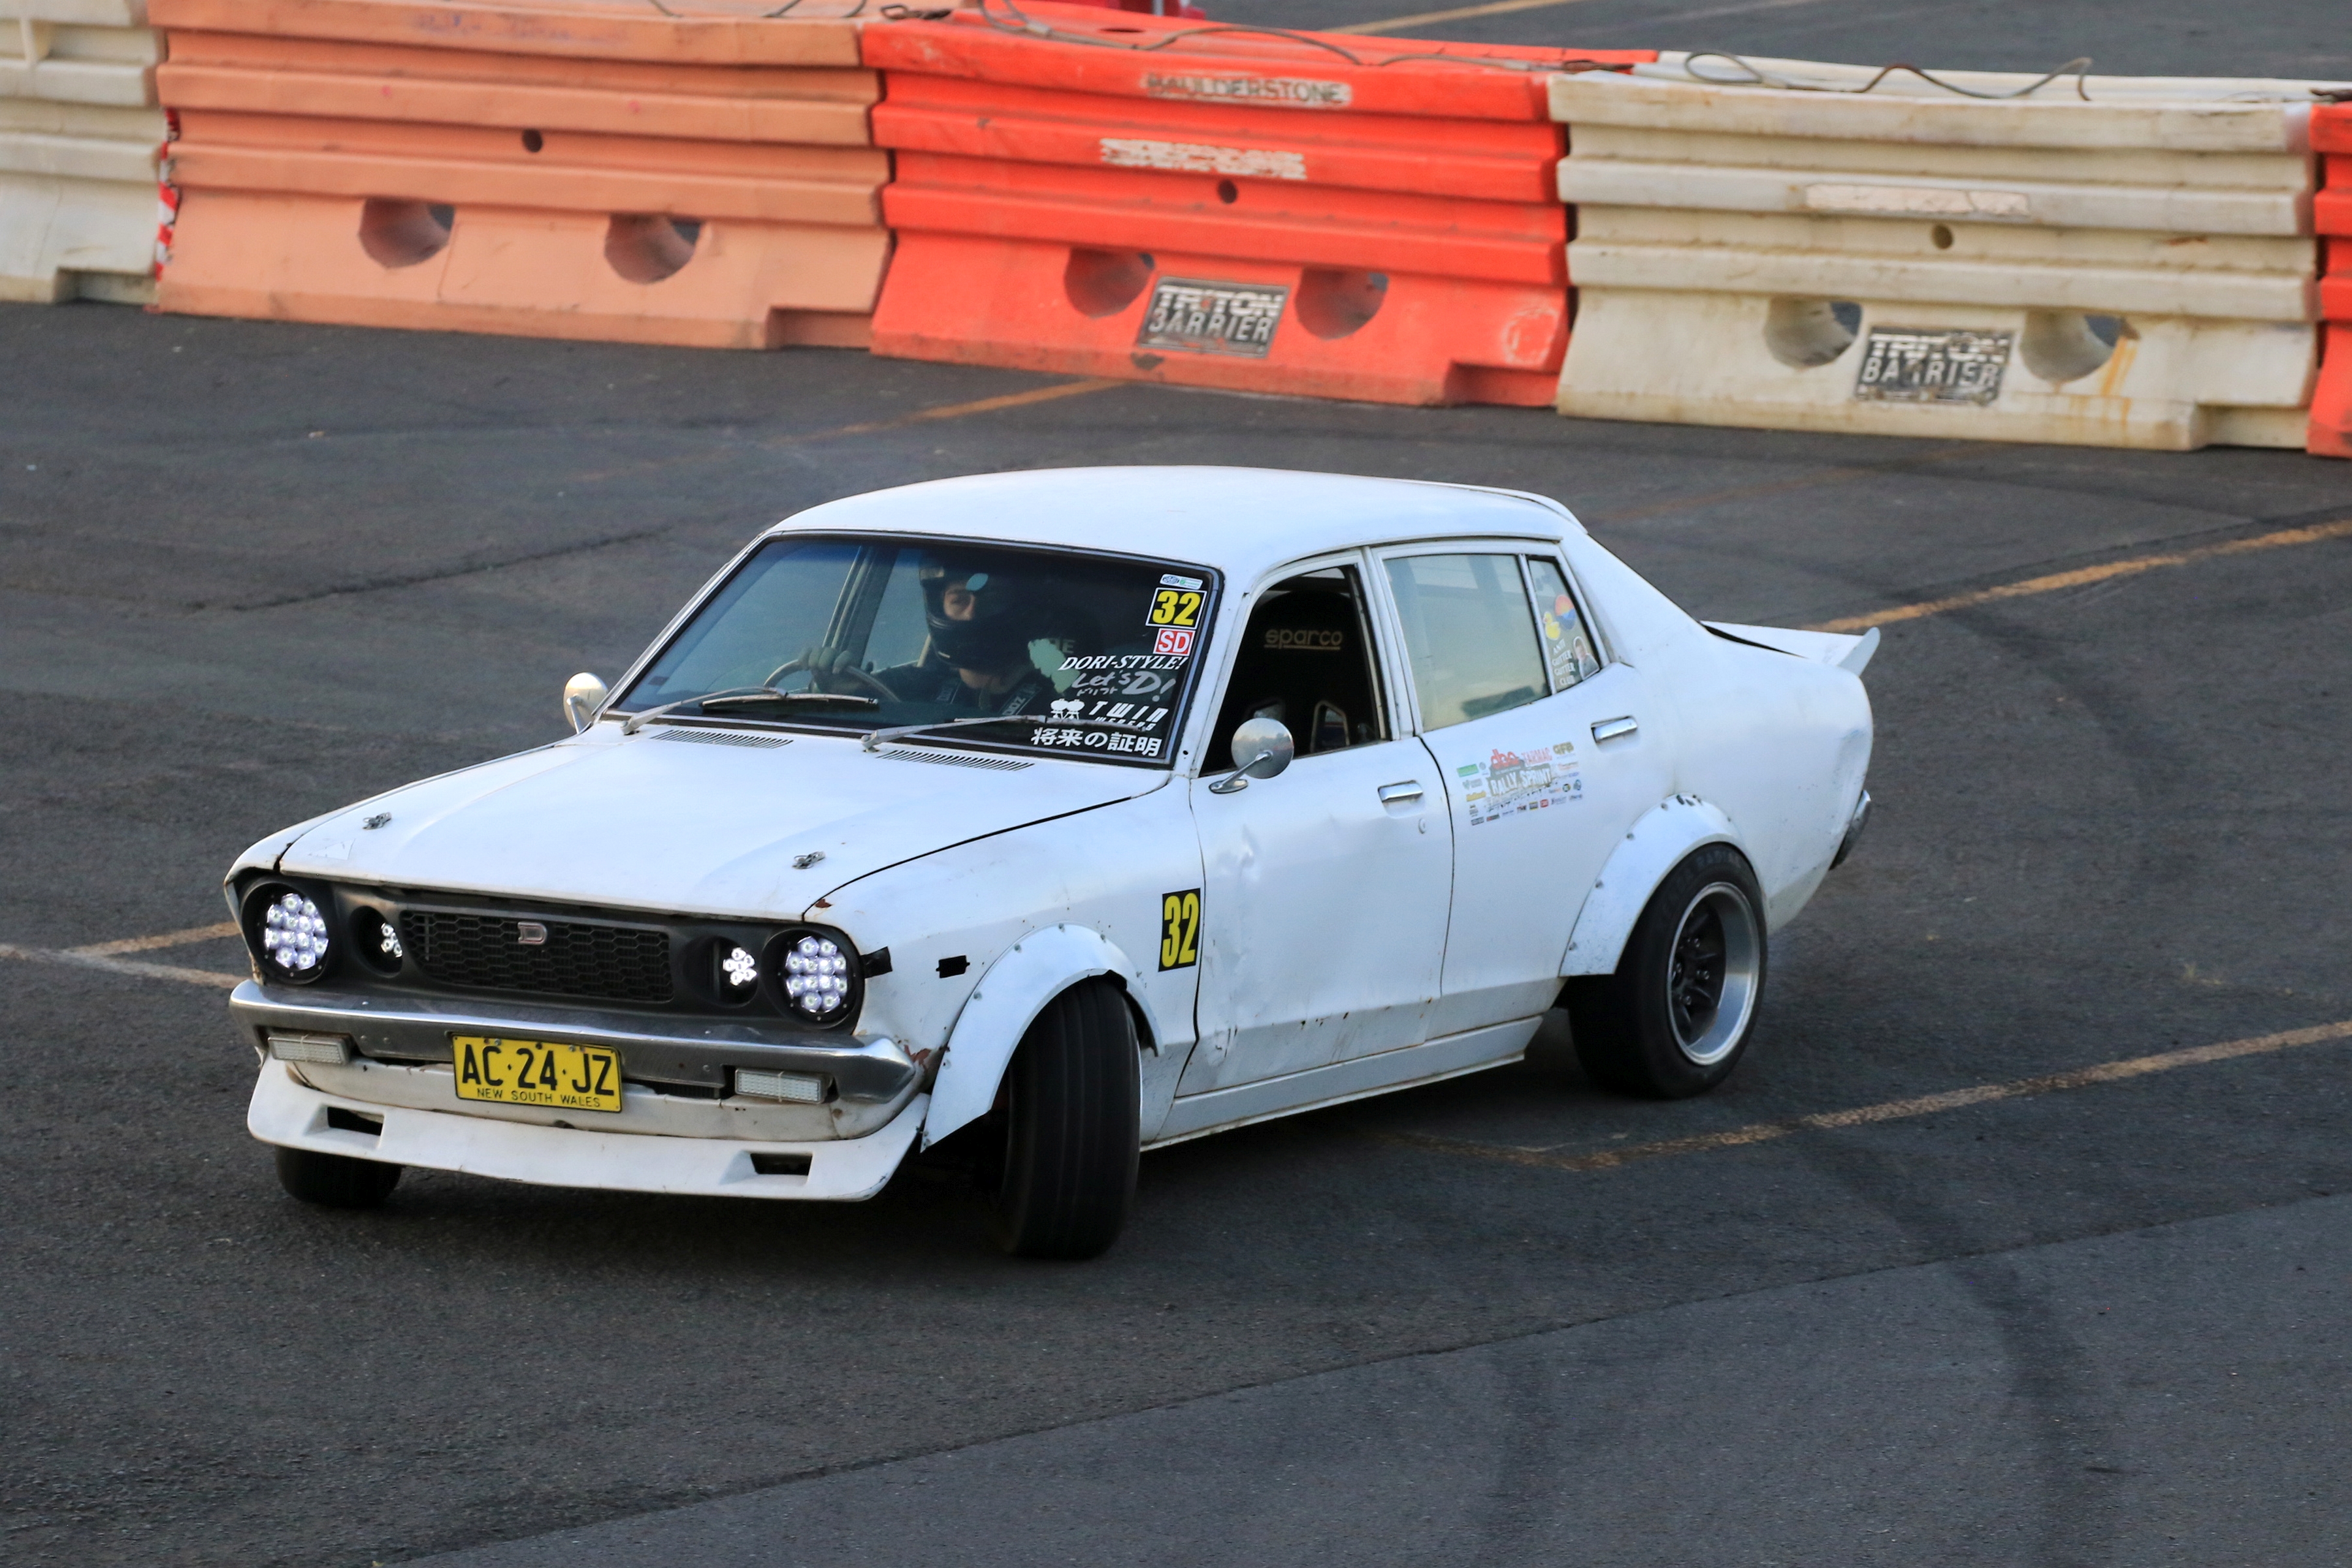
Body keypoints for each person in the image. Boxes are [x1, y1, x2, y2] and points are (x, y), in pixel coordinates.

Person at [809, 556, 1057, 715]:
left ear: (1016, 606)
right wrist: (838, 690)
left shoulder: (1058, 698)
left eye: (990, 598)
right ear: (939, 609)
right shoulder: (908, 686)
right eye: (959, 600)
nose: (972, 613)